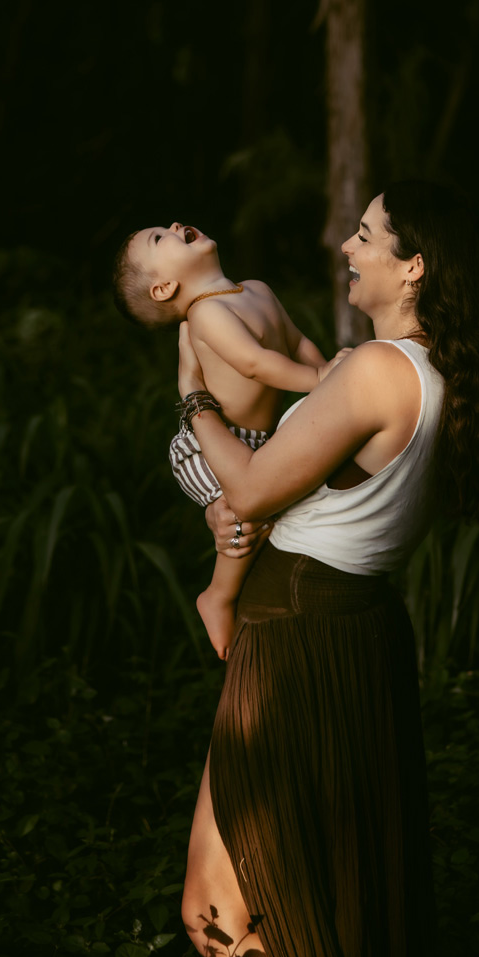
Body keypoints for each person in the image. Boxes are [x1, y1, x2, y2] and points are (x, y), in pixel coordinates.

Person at [178, 181, 479, 957]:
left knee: (218, 913)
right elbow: (286, 494)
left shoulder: (375, 372)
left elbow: (253, 489)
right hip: (350, 627)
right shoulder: (430, 372)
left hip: (298, 630)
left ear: (415, 266)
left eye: (366, 235)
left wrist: (193, 398)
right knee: (328, 887)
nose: (347, 247)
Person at [112, 220, 345, 659]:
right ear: (163, 289)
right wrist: (320, 378)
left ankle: (252, 590)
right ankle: (217, 596)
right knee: (243, 519)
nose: (175, 225)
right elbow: (255, 363)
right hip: (208, 447)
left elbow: (295, 342)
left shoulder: (255, 289)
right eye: (159, 237)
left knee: (271, 515)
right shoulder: (206, 315)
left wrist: (327, 369)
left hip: (259, 442)